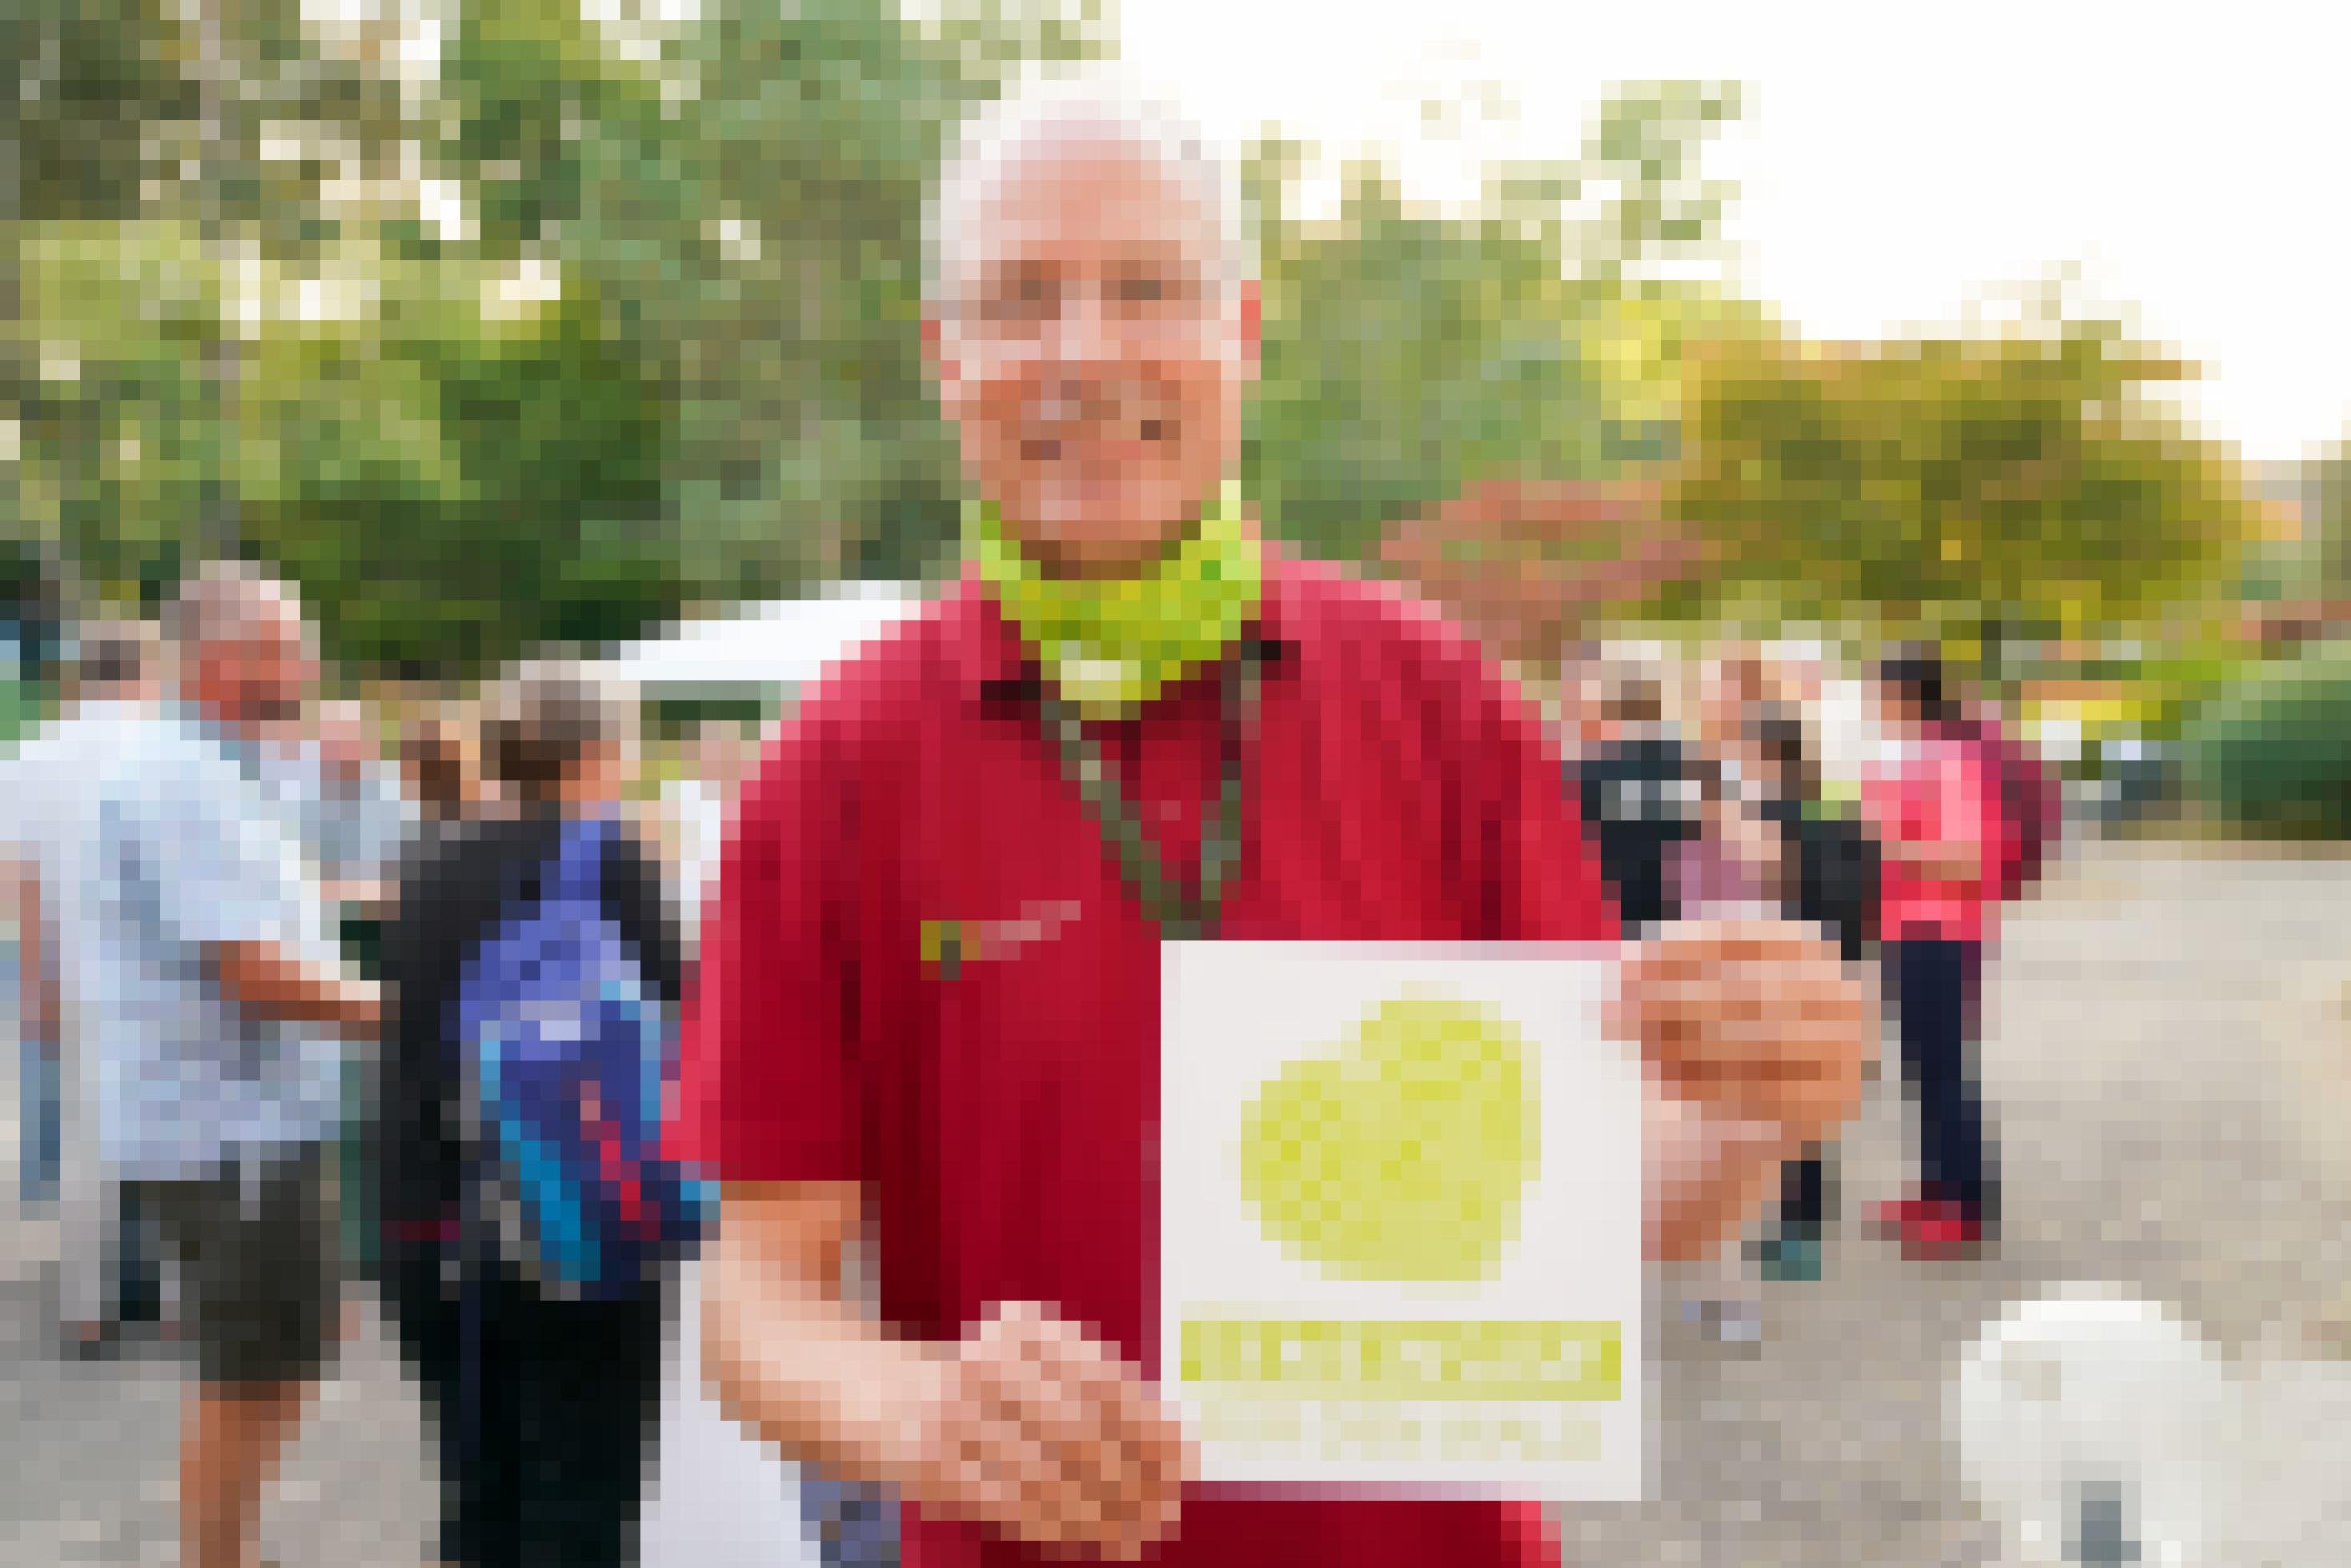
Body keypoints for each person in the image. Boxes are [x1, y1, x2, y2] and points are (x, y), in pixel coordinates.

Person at [676, 74, 1868, 1568]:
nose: (1088, 349)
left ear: (1239, 332)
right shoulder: (834, 759)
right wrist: (913, 1404)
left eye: (1148, 288)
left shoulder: (1437, 695)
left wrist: (1749, 1100)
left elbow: (1635, 1194)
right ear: (945, 357)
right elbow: (756, 1295)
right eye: (1021, 297)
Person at [16, 566, 383, 1568]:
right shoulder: (176, 777)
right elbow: (250, 971)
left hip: (261, 1122)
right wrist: (412, 1013)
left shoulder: (224, 765)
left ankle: (233, 1550)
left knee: (287, 1358)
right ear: (223, 657)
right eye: (287, 644)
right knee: (246, 1371)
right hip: (228, 1131)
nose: (306, 663)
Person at [377, 670, 686, 1568]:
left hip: (425, 1214)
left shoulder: (427, 856)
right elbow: (687, 1012)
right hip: (570, 1219)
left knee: (482, 1480)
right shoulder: (607, 855)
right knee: (583, 1480)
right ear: (596, 752)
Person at [1863, 645, 2002, 1260]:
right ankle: (1932, 1191)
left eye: (1877, 690)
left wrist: (1891, 847)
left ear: (1905, 695)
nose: (1869, 701)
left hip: (1943, 931)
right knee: (1919, 1067)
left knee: (1945, 1070)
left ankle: (1965, 1208)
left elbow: (1972, 859)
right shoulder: (1901, 761)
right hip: (1904, 931)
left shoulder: (1951, 763)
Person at [1741, 709, 1882, 1283]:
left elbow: (1767, 880)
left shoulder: (1765, 812)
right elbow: (1867, 879)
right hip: (1836, 960)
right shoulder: (1835, 803)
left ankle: (1793, 1235)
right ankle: (1805, 1226)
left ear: (1766, 754)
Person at [1571, 658, 1705, 938]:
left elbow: (1589, 803)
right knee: (1646, 918)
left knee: (1636, 917)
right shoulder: (1668, 752)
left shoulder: (1612, 753)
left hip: (1630, 848)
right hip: (1641, 849)